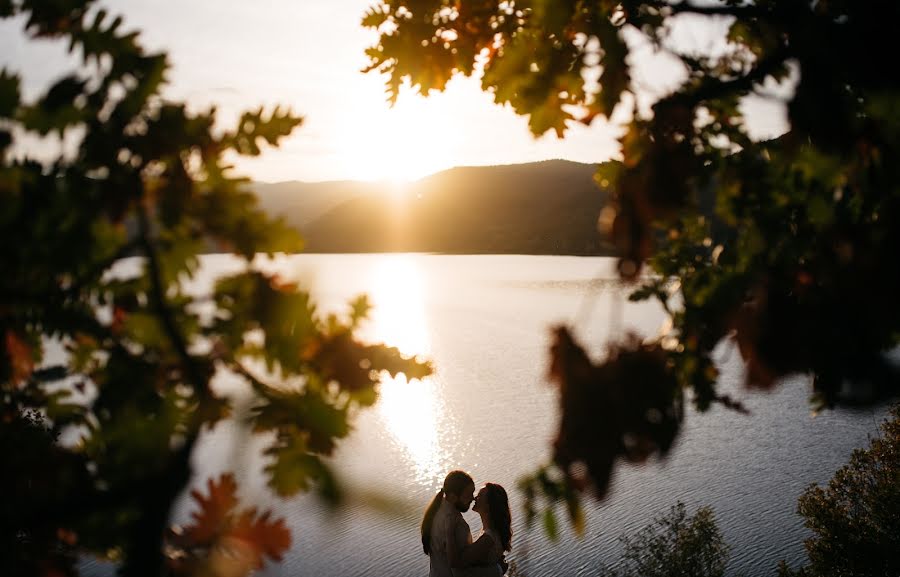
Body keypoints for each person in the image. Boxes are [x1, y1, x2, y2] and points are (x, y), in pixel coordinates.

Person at [447, 483, 512, 577]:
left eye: (479, 496)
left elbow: (455, 563)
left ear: (489, 505)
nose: (474, 498)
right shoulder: (491, 531)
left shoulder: (488, 538)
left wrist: (449, 532)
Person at [422, 470, 476, 577]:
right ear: (453, 497)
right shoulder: (458, 524)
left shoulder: (435, 511)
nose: (473, 498)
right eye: (468, 494)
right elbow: (462, 568)